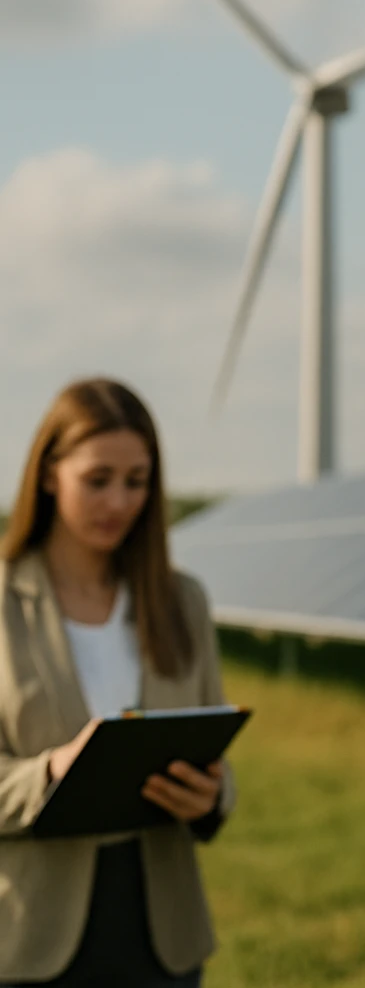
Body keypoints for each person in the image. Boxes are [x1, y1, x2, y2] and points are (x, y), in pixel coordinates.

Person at [0, 379, 235, 986]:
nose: (120, 502)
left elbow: (215, 749)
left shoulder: (182, 601)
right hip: (31, 931)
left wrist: (211, 798)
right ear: (50, 474)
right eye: (98, 479)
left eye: (137, 481)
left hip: (163, 930)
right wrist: (52, 771)